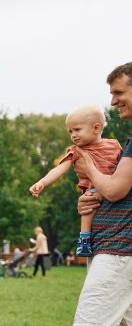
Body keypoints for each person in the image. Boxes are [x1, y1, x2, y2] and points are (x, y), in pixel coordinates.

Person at [70, 62, 132, 326]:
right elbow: (112, 196)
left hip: (121, 252)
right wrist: (88, 202)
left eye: (120, 93)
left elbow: (115, 187)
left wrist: (89, 168)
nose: (113, 101)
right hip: (115, 247)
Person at [30, 105, 122, 256]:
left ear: (96, 128)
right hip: (93, 190)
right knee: (88, 205)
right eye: (70, 132)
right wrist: (42, 182)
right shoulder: (76, 151)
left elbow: (123, 166)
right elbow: (59, 169)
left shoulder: (114, 145)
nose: (73, 135)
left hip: (114, 185)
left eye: (77, 130)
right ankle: (84, 239)